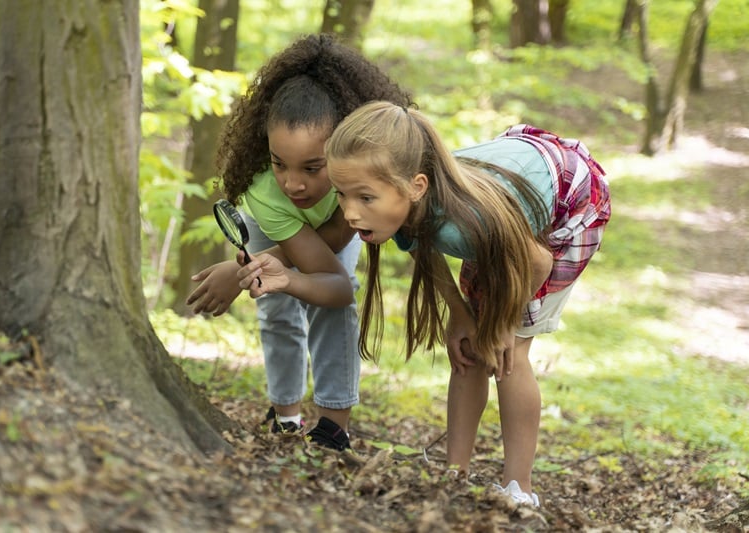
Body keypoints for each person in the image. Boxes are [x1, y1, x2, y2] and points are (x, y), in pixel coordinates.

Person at [322, 101, 611, 504]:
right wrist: (460, 315)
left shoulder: (466, 222)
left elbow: (536, 261)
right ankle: (453, 473)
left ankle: (519, 488)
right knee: (469, 348)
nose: (350, 213)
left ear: (415, 187)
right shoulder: (408, 203)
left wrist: (505, 323)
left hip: (570, 202)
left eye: (365, 198)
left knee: (509, 353)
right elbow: (423, 249)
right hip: (513, 205)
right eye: (342, 195)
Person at [186, 35, 413, 451]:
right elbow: (297, 256)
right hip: (274, 228)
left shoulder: (355, 179)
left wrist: (238, 272)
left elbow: (326, 258)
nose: (293, 182)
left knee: (333, 306)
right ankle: (285, 413)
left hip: (334, 223)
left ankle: (333, 423)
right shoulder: (265, 191)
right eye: (279, 163)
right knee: (275, 308)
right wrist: (251, 273)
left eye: (312, 167)